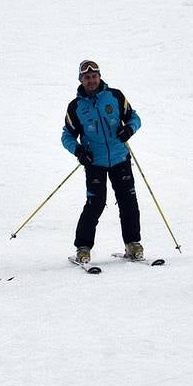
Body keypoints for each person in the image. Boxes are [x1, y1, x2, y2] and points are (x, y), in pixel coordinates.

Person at [60, 59, 143, 265]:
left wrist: (129, 129)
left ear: (99, 77)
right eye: (87, 77)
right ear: (81, 80)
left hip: (119, 157)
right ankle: (83, 247)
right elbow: (66, 136)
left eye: (94, 76)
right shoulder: (76, 107)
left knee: (128, 201)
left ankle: (132, 243)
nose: (91, 80)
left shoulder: (114, 96)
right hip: (94, 162)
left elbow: (134, 117)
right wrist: (78, 151)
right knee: (95, 203)